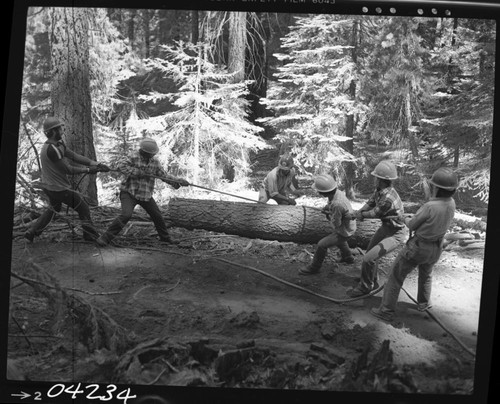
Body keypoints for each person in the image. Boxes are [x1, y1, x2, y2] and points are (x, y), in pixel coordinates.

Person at [370, 167, 458, 321]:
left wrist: (403, 218)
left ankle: (386, 310)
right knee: (426, 274)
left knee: (395, 276)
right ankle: (424, 303)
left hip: (419, 247)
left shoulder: (430, 206)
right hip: (436, 247)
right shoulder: (451, 203)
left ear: (436, 187)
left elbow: (412, 225)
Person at [24, 117, 110, 243]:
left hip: (51, 187)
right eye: (59, 128)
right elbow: (68, 169)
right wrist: (88, 170)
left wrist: (95, 164)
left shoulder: (58, 144)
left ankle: (32, 231)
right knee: (83, 207)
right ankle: (89, 235)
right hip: (57, 188)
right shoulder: (51, 150)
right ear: (53, 131)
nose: (62, 130)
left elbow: (74, 156)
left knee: (54, 208)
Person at [95, 137, 189, 246]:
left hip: (145, 195)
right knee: (126, 215)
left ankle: (165, 238)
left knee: (157, 216)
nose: (152, 155)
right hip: (129, 192)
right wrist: (137, 172)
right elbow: (121, 165)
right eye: (151, 154)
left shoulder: (155, 163)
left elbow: (163, 176)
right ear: (144, 152)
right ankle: (105, 238)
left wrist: (177, 181)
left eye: (153, 154)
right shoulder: (133, 157)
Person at [346, 160, 407, 297]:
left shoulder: (388, 198)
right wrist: (357, 213)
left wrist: (360, 215)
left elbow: (374, 213)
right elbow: (370, 203)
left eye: (376, 177)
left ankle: (365, 287)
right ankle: (371, 278)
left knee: (368, 258)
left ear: (382, 180)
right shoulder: (380, 191)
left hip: (396, 233)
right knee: (370, 251)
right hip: (386, 228)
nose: (374, 179)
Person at [299, 174, 356, 275]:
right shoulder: (337, 193)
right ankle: (348, 257)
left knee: (322, 244)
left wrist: (329, 215)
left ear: (323, 192)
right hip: (347, 227)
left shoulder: (337, 204)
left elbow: (337, 224)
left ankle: (314, 267)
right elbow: (332, 205)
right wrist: (327, 208)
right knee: (339, 238)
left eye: (318, 191)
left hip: (345, 229)